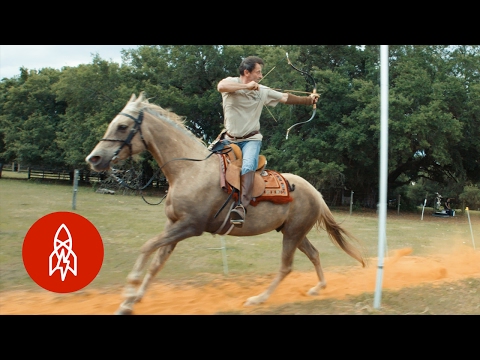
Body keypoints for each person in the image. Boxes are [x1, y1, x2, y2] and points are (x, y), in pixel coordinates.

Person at [215, 55, 318, 227]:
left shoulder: (261, 90)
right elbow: (221, 87)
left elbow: (285, 97)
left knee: (248, 166)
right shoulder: (231, 83)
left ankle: (241, 207)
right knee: (206, 160)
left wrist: (308, 100)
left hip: (251, 140)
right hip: (228, 139)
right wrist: (246, 86)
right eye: (258, 72)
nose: (260, 76)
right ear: (246, 72)